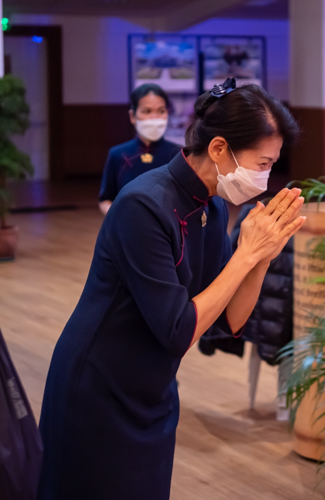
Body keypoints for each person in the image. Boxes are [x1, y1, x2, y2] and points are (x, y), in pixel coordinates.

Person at [37, 79, 304, 500]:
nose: (265, 177)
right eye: (262, 163)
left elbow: (229, 319)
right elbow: (179, 329)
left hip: (154, 389)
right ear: (219, 149)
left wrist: (262, 256)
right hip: (99, 388)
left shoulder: (212, 207)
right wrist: (244, 255)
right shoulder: (142, 205)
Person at [98, 83, 181, 214]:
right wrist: (117, 219)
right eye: (147, 111)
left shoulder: (179, 154)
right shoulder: (118, 154)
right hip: (127, 227)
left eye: (161, 111)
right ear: (132, 116)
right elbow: (105, 200)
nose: (154, 117)